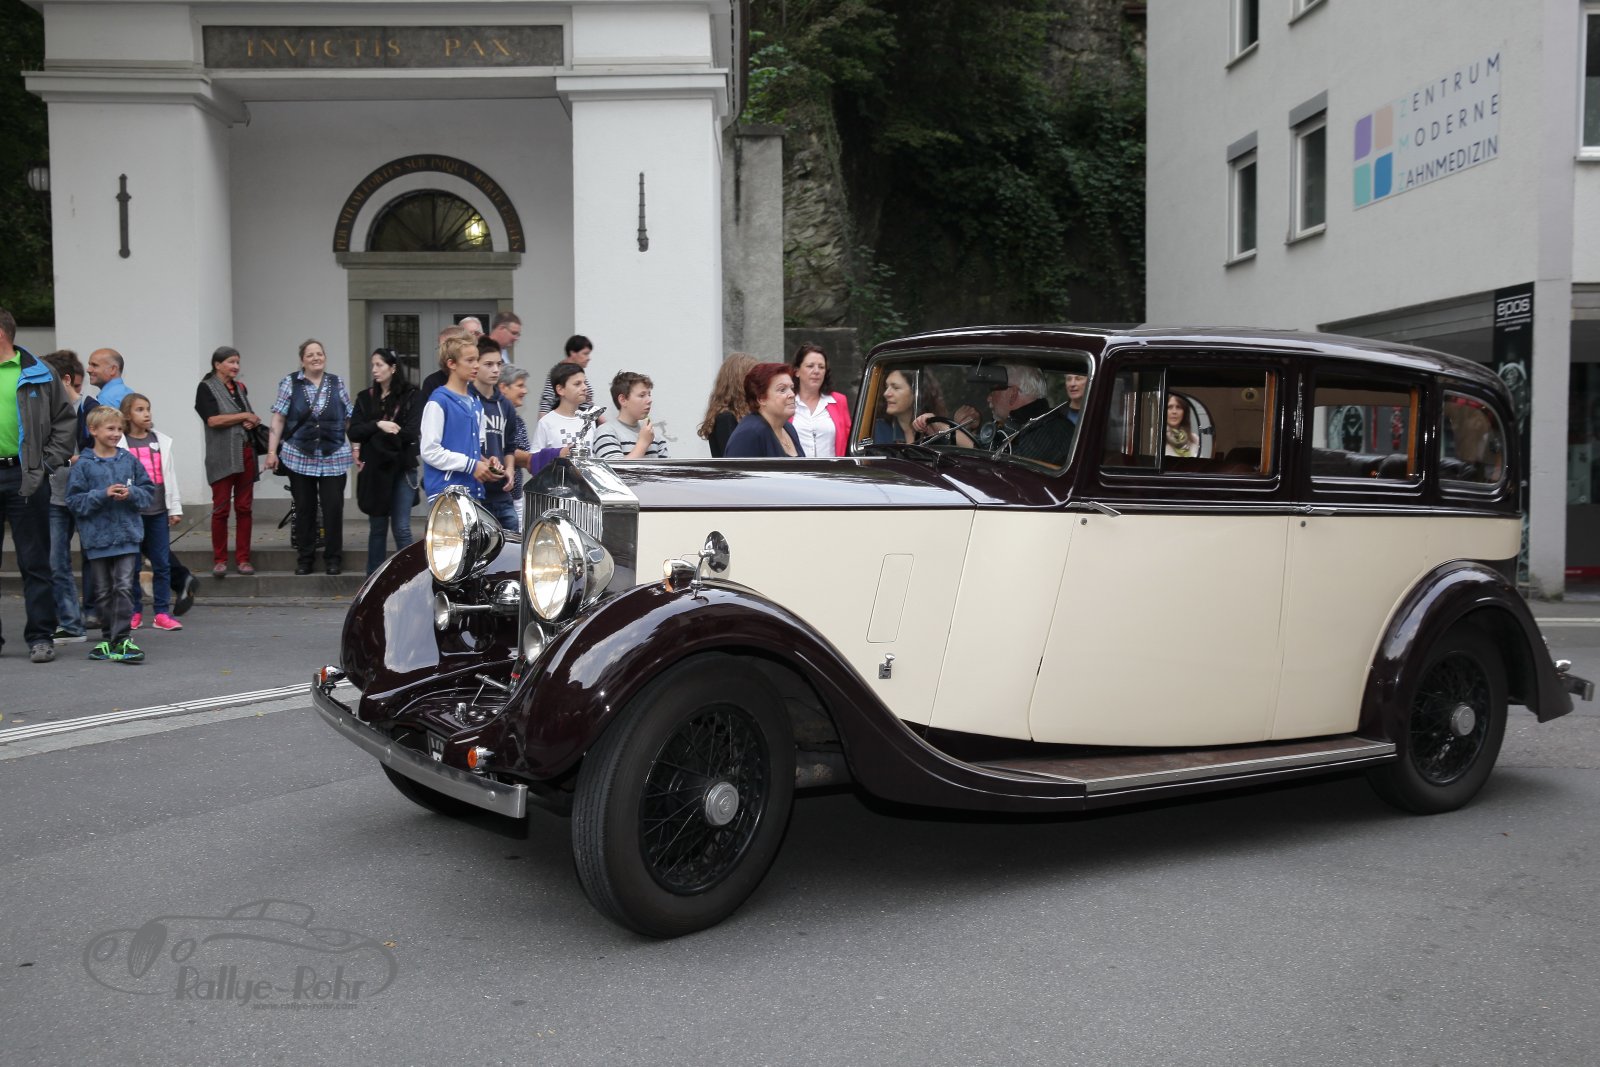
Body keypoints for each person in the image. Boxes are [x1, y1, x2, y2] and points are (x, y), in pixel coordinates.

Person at [0, 308, 76, 663]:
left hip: (26, 474)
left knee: (34, 561)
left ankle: (41, 636)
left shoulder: (39, 371)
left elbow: (65, 421)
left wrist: (45, 464)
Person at [65, 406, 155, 664]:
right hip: (97, 539)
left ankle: (122, 638)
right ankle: (108, 638)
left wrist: (132, 494)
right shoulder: (83, 465)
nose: (116, 434)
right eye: (110, 429)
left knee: (124, 586)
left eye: (119, 429)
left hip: (127, 536)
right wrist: (102, 494)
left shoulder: (129, 460)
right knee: (103, 591)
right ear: (93, 430)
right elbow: (74, 502)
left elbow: (148, 491)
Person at [265, 339, 353, 575]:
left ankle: (333, 559)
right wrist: (272, 452)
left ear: (325, 357)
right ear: (302, 360)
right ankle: (305, 558)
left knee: (333, 509)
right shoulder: (290, 383)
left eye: (319, 353)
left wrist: (356, 448)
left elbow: (349, 418)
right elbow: (279, 418)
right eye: (310, 354)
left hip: (333, 457)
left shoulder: (336, 382)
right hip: (299, 456)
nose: (316, 358)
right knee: (304, 509)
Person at [348, 348, 420, 573]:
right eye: (373, 365)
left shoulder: (411, 395)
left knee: (401, 528)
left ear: (393, 368)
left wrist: (374, 435)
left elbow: (411, 432)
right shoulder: (365, 397)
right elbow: (354, 431)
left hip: (402, 468)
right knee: (377, 527)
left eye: (379, 365)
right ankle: (372, 580)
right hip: (376, 471)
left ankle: (412, 578)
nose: (374, 370)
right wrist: (379, 425)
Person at [118, 393, 185, 631]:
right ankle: (134, 611)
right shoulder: (121, 443)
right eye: (139, 409)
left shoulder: (160, 441)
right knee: (133, 565)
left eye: (148, 409)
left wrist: (174, 508)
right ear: (127, 415)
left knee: (161, 563)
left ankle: (161, 613)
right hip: (132, 514)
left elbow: (170, 477)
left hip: (158, 512)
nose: (146, 414)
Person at [42, 351, 94, 643]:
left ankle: (100, 615)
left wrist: (73, 459)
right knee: (55, 560)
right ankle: (71, 622)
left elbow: (103, 449)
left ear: (63, 380)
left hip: (86, 495)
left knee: (96, 557)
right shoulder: (42, 410)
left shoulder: (89, 409)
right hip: (53, 495)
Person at [195, 345, 261, 577]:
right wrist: (244, 416)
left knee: (244, 508)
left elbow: (249, 417)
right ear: (217, 364)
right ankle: (220, 560)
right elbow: (213, 420)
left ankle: (243, 559)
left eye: (237, 362)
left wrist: (252, 420)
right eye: (231, 362)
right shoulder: (206, 387)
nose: (236, 366)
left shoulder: (240, 387)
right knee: (221, 509)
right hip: (221, 456)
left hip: (245, 453)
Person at [419, 334, 495, 501]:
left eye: (477, 359)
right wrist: (472, 465)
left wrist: (486, 464)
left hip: (472, 493)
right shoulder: (439, 402)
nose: (476, 365)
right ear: (451, 364)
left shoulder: (476, 403)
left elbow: (471, 452)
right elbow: (429, 451)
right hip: (446, 494)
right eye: (470, 360)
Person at [953, 362, 1075, 463]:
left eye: (993, 391)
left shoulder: (1053, 431)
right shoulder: (1013, 424)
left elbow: (1003, 463)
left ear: (1013, 394)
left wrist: (952, 432)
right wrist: (970, 432)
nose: (989, 398)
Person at [472, 341, 520, 530]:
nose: (495, 370)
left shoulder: (505, 405)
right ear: (475, 365)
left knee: (512, 542)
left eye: (499, 364)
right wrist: (484, 464)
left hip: (502, 494)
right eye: (489, 364)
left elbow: (510, 446)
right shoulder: (468, 400)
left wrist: (510, 470)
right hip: (476, 492)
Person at [723, 362, 803, 458]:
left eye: (792, 388)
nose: (792, 394)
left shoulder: (788, 428)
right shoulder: (748, 434)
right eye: (782, 390)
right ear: (761, 399)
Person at [789, 343, 851, 457]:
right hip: (796, 468)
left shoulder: (839, 401)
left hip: (833, 467)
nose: (816, 371)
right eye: (810, 366)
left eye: (821, 367)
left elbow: (848, 441)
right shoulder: (787, 401)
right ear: (797, 371)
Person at [592, 372, 669, 460]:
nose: (649, 400)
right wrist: (643, 443)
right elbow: (614, 468)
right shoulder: (606, 432)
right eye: (642, 395)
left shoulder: (653, 435)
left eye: (649, 395)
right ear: (623, 400)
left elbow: (668, 468)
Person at [697, 352, 757, 458]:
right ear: (739, 380)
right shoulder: (726, 418)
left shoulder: (743, 414)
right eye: (753, 376)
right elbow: (734, 459)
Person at [532, 362, 598, 452]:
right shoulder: (546, 423)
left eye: (585, 383)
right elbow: (535, 457)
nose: (585, 387)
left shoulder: (589, 421)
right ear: (560, 390)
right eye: (577, 384)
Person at [500, 363, 534, 527]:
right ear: (503, 388)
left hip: (516, 497)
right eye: (520, 386)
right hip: (499, 498)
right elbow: (514, 454)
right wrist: (545, 458)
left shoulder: (517, 420)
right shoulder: (497, 419)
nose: (525, 391)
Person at [539, 334, 595, 416]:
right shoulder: (559, 372)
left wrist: (601, 420)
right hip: (568, 420)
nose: (588, 358)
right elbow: (546, 402)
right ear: (573, 353)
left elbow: (588, 403)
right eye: (585, 354)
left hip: (585, 420)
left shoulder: (578, 372)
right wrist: (543, 422)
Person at [1164, 392, 1200, 457]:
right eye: (1169, 407)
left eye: (1178, 407)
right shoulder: (1154, 435)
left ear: (1184, 412)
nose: (1174, 412)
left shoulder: (1195, 439)